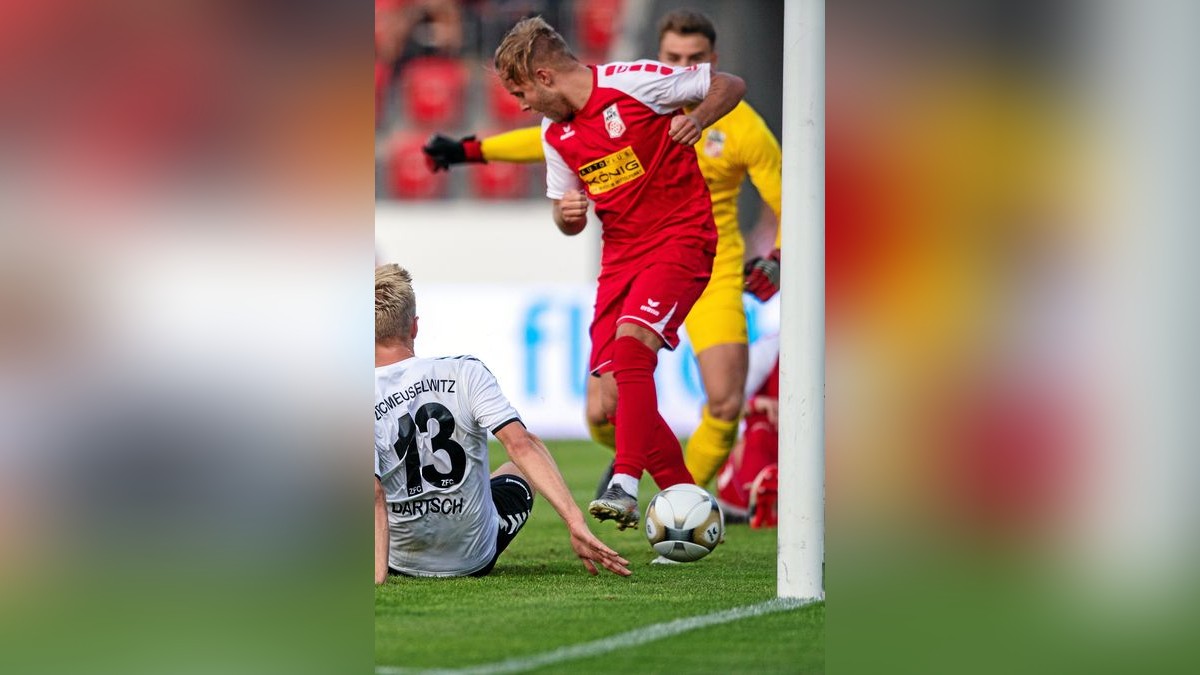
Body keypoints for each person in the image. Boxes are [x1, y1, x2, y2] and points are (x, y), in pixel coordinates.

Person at [426, 10, 782, 493]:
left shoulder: (729, 122)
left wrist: (778, 257)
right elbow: (549, 145)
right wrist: (474, 153)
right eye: (674, 57)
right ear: (662, 58)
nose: (682, 65)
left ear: (708, 62)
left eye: (693, 60)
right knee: (603, 408)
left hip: (702, 256)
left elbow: (788, 195)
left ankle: (644, 487)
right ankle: (670, 493)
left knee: (717, 397)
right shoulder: (599, 110)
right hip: (627, 257)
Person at [491, 17, 746, 529]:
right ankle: (688, 508)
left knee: (632, 348)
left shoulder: (632, 81)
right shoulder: (554, 134)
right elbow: (566, 209)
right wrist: (566, 218)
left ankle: (624, 483)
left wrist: (700, 119)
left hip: (681, 239)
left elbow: (729, 84)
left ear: (544, 77)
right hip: (620, 260)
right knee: (609, 399)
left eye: (521, 91)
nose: (521, 105)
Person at [374, 264, 630, 580]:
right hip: (473, 558)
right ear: (414, 327)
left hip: (396, 560)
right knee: (523, 458)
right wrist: (574, 520)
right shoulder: (466, 372)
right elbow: (520, 444)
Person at [715, 334, 779, 528]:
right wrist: (756, 404)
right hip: (769, 443)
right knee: (760, 430)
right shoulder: (769, 349)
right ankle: (760, 500)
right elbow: (716, 408)